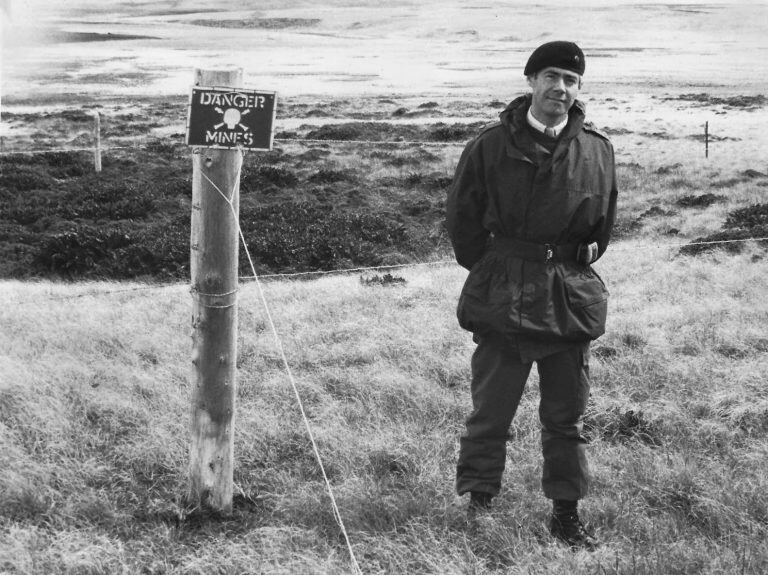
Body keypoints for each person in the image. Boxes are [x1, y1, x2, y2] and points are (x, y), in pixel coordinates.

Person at [446, 40, 618, 550]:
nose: (559, 89)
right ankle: (479, 509)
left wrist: (565, 264)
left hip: (567, 302)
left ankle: (566, 516)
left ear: (578, 88)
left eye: (570, 79)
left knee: (566, 419)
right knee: (490, 414)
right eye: (550, 76)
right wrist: (500, 267)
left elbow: (602, 228)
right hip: (502, 297)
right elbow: (463, 222)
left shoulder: (597, 149)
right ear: (530, 81)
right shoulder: (490, 145)